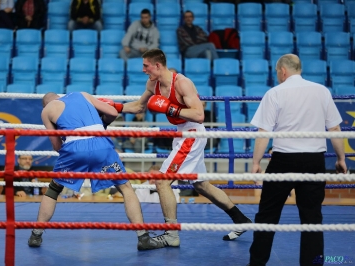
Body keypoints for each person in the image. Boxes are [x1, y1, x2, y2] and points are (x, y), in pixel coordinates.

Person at [99, 48, 252, 248]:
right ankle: (241, 219)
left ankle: (171, 234)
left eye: (146, 66)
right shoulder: (152, 83)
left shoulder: (182, 83)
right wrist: (111, 106)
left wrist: (171, 108)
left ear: (158, 65)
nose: (143, 70)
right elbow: (138, 106)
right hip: (182, 133)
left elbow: (199, 115)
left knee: (162, 182)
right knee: (201, 185)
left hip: (192, 134)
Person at [27, 91, 163, 251]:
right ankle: (143, 237)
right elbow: (112, 112)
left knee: (53, 190)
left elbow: (57, 146)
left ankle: (36, 235)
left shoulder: (47, 111)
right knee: (126, 188)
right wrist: (101, 125)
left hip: (74, 148)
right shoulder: (81, 94)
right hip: (101, 143)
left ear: (45, 104)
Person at [248, 54, 347, 266]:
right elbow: (335, 128)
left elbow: (264, 132)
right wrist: (341, 158)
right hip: (314, 161)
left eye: (277, 72)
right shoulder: (322, 91)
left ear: (283, 71)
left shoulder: (275, 93)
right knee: (312, 218)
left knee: (267, 215)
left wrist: (256, 163)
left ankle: (256, 264)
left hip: (283, 160)